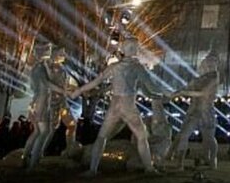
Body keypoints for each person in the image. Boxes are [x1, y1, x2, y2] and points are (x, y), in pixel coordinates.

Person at [70, 39, 164, 175]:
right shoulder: (138, 67)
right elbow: (152, 87)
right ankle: (149, 168)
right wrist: (171, 93)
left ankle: (92, 169)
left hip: (114, 107)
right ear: (134, 50)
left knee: (102, 137)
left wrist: (78, 91)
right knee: (142, 137)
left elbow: (97, 81)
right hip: (128, 107)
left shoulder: (115, 67)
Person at [165, 52, 221, 168]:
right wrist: (172, 95)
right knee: (184, 135)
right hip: (194, 111)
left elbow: (203, 93)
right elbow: (185, 88)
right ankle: (180, 162)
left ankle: (212, 159)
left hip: (206, 112)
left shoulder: (214, 77)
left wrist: (183, 93)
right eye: (207, 62)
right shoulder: (198, 79)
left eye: (211, 62)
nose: (208, 65)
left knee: (209, 138)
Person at [22, 42, 69, 169]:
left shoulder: (41, 66)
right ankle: (33, 163)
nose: (49, 51)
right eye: (47, 49)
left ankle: (26, 157)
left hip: (41, 101)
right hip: (42, 102)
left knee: (38, 132)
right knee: (45, 132)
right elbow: (46, 83)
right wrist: (62, 91)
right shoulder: (40, 67)